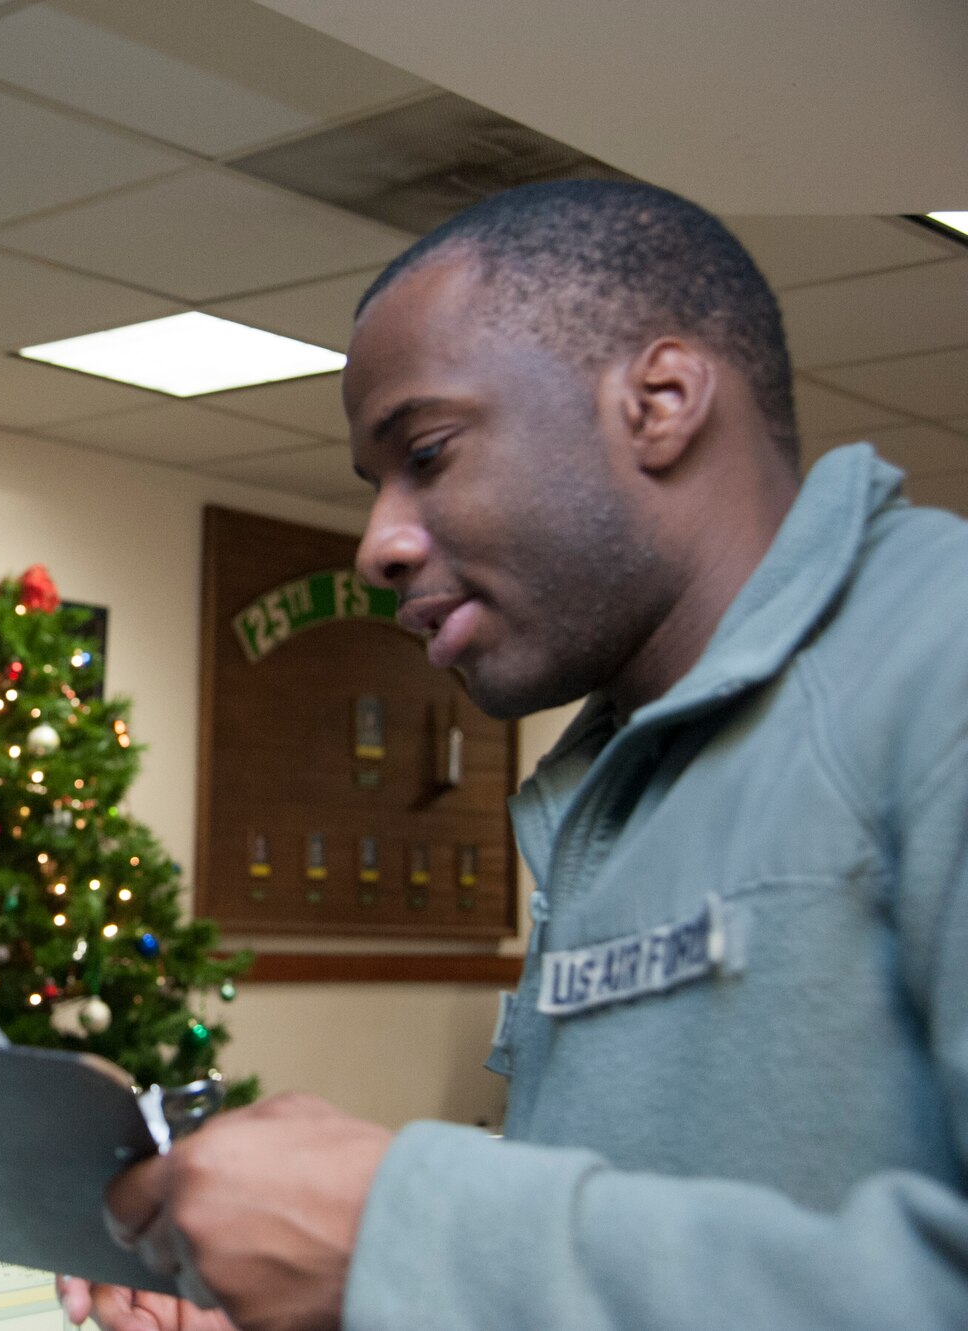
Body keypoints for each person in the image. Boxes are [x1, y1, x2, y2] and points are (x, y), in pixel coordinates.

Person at [63, 180, 968, 1329]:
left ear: (659, 400)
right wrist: (346, 1299)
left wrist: (403, 1234)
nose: (377, 543)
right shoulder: (602, 785)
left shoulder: (938, 665)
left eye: (427, 452)